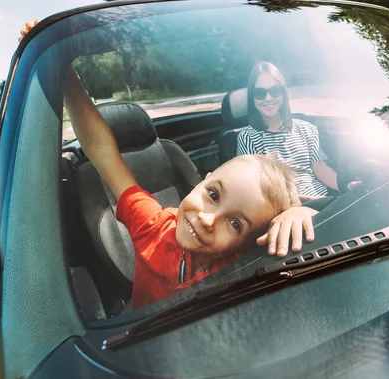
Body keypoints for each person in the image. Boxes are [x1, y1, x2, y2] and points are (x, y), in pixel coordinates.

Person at [20, 22, 319, 309]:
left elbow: (320, 233)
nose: (207, 219)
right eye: (213, 195)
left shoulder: (247, 257)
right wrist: (65, 75)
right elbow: (102, 152)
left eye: (235, 223)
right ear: (204, 178)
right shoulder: (154, 226)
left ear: (251, 237)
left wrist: (300, 213)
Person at [237, 62, 360, 201]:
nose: (268, 98)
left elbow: (321, 169)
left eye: (275, 91)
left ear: (283, 93)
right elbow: (257, 187)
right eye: (259, 93)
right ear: (252, 97)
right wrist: (303, 199)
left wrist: (346, 186)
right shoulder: (248, 137)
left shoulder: (307, 129)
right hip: (284, 208)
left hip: (322, 200)